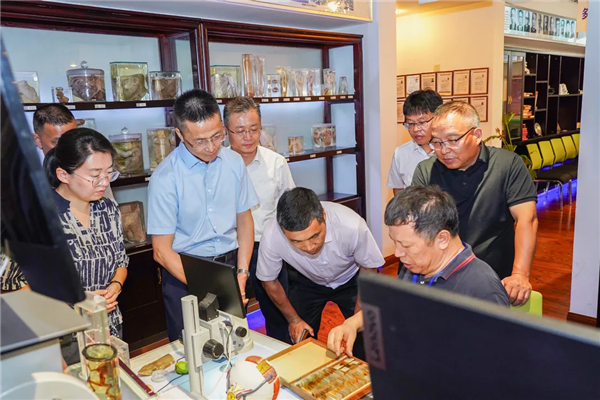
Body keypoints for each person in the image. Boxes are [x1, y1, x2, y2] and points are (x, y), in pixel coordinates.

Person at [327, 185, 510, 357]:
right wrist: (352, 323)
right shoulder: (416, 268)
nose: (398, 253)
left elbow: (494, 366)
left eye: (406, 245)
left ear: (442, 239)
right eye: (395, 242)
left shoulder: (483, 291)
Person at [147, 89, 259, 341]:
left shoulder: (234, 162)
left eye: (217, 136)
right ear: (179, 134)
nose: (210, 147)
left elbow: (244, 222)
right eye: (199, 141)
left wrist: (241, 274)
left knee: (235, 343)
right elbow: (161, 251)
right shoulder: (165, 178)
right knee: (191, 349)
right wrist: (212, 288)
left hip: (230, 266)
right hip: (184, 273)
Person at [412, 101, 538, 306]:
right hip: (439, 276)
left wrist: (520, 274)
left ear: (477, 135)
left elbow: (527, 219)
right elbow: (417, 226)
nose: (444, 150)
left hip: (493, 278)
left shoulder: (507, 165)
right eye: (437, 143)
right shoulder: (426, 171)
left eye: (453, 140)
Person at [256, 188, 384, 344]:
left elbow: (369, 267)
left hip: (352, 278)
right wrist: (294, 320)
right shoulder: (272, 235)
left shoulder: (351, 225)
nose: (309, 247)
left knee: (367, 338)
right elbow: (268, 280)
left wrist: (356, 319)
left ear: (323, 215)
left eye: (315, 236)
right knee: (297, 340)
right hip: (307, 281)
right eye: (296, 241)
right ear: (282, 231)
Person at [44, 128, 128, 361]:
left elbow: (121, 260)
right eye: (94, 175)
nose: (104, 183)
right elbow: (18, 288)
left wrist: (116, 285)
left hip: (108, 325)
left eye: (109, 173)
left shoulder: (107, 209)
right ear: (63, 175)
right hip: (62, 335)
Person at [224, 96, 295, 341]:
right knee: (231, 319)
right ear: (226, 131)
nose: (248, 137)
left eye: (254, 129)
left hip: (269, 248)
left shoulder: (276, 163)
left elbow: (289, 208)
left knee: (278, 316)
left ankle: (282, 356)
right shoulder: (217, 165)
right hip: (230, 252)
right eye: (240, 130)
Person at [33, 104, 115, 200]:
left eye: (74, 138)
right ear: (38, 141)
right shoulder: (25, 173)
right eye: (58, 142)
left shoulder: (94, 164)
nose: (70, 146)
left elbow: (107, 203)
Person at [387, 90, 442, 194]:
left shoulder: (449, 151)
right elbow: (398, 191)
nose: (416, 129)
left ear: (438, 118)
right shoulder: (401, 153)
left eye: (422, 122)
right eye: (410, 123)